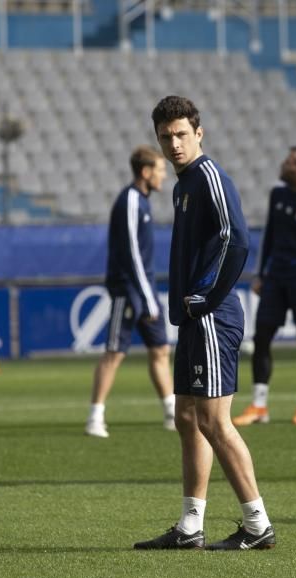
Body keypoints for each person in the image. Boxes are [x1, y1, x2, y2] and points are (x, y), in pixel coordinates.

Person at [134, 95, 275, 550]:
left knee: (215, 420)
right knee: (188, 418)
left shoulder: (209, 175)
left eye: (180, 134)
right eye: (165, 137)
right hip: (193, 319)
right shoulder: (182, 185)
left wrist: (209, 297)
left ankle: (257, 526)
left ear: (199, 133)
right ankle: (191, 525)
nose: (173, 143)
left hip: (212, 316)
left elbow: (237, 240)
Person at [232, 146, 296, 427]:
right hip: (275, 278)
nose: (283, 164)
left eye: (289, 162)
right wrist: (260, 274)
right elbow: (269, 237)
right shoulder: (277, 193)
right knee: (262, 338)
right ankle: (259, 405)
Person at [85, 147, 176, 438]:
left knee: (161, 349)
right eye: (160, 170)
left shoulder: (144, 202)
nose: (164, 175)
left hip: (145, 289)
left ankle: (171, 411)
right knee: (115, 352)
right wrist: (148, 297)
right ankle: (95, 417)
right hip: (129, 289)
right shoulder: (131, 201)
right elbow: (132, 254)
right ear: (146, 172)